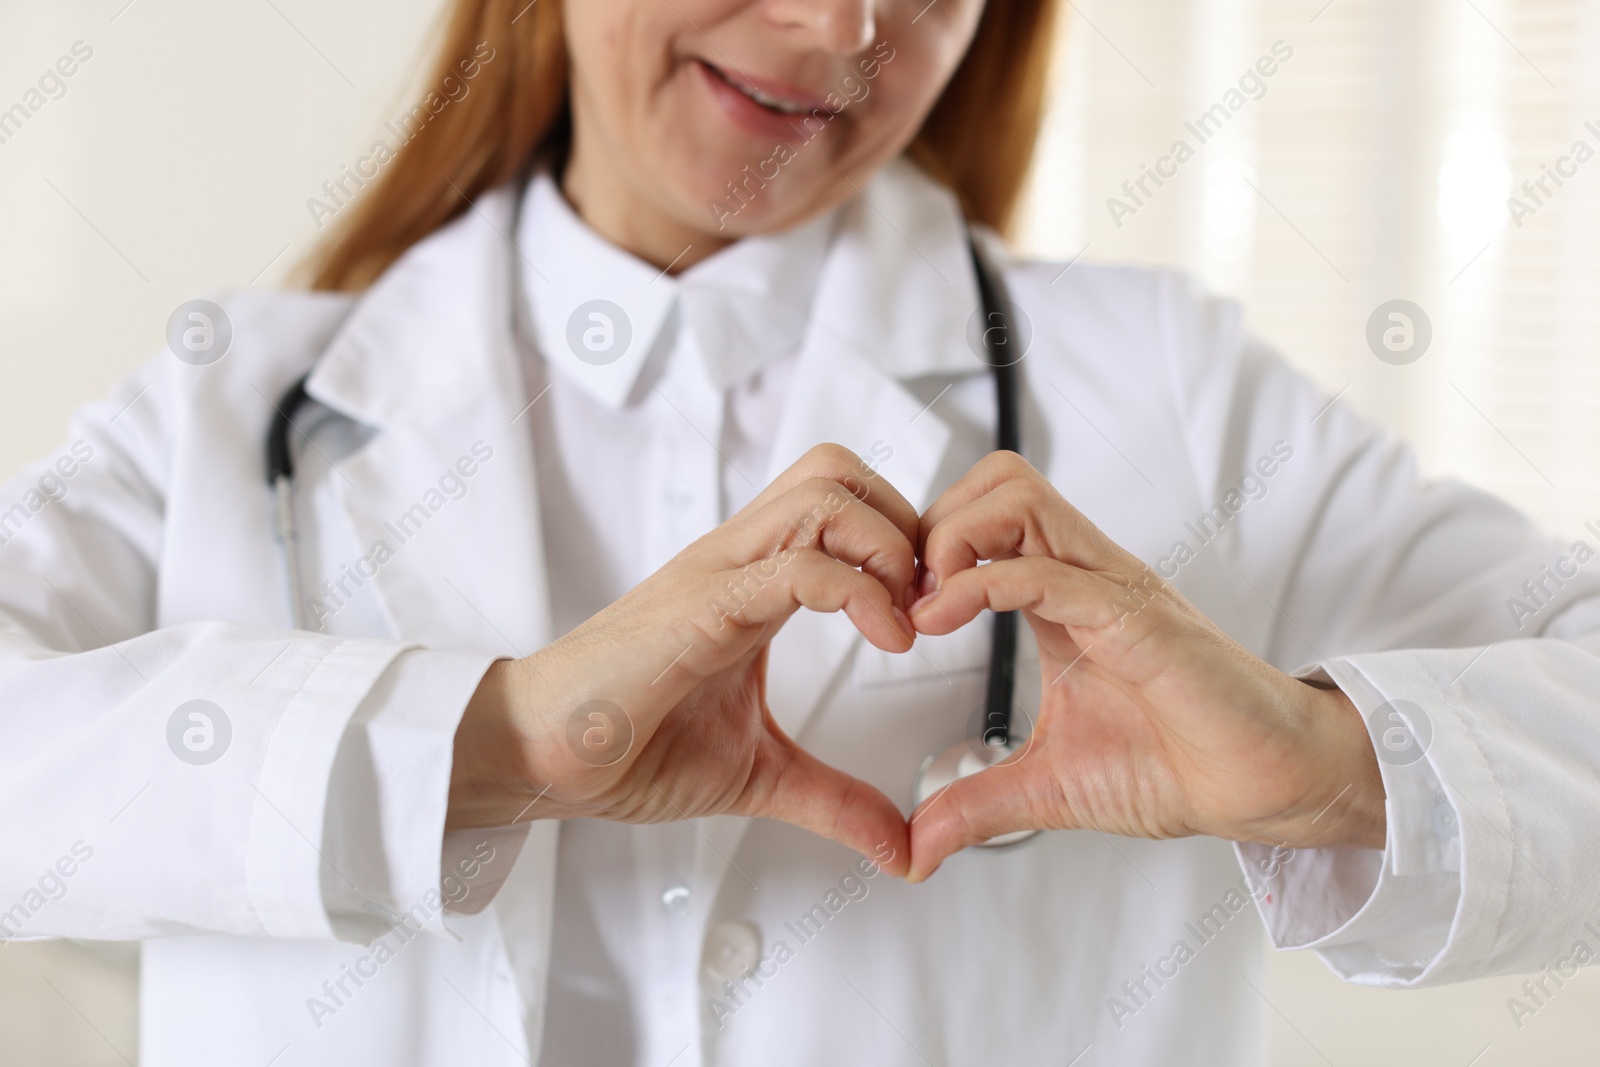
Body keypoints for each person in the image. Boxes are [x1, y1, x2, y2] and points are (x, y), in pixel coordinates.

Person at [3, 0, 1598, 1063]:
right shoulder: (237, 402)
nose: (846, 26)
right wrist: (498, 742)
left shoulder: (1171, 395)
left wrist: (1328, 764)